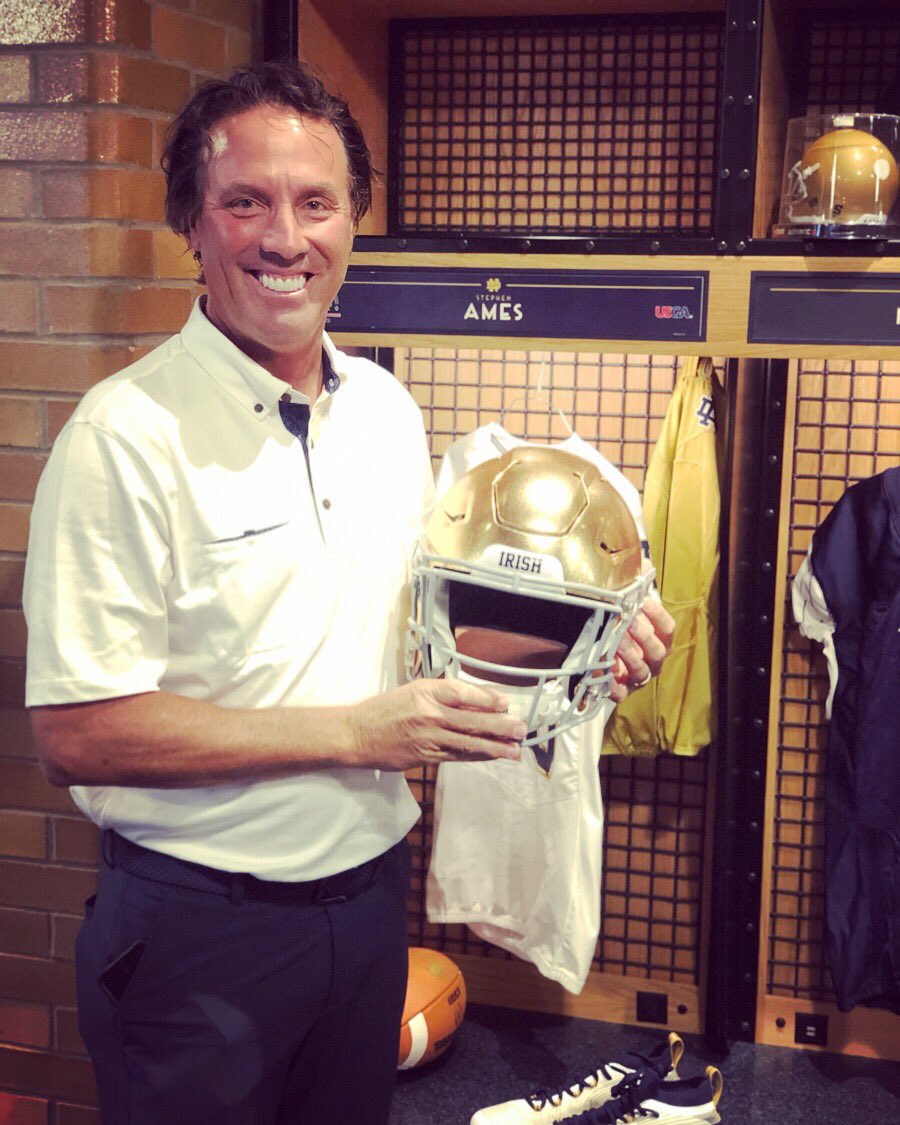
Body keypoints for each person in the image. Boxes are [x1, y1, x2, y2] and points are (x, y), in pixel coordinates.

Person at [23, 60, 674, 1125]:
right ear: (192, 221)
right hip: (201, 933)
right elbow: (78, 735)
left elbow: (411, 645)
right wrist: (357, 733)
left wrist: (585, 645)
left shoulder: (385, 410)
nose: (286, 238)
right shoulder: (123, 437)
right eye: (247, 202)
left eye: (316, 203)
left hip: (368, 912)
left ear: (354, 223)